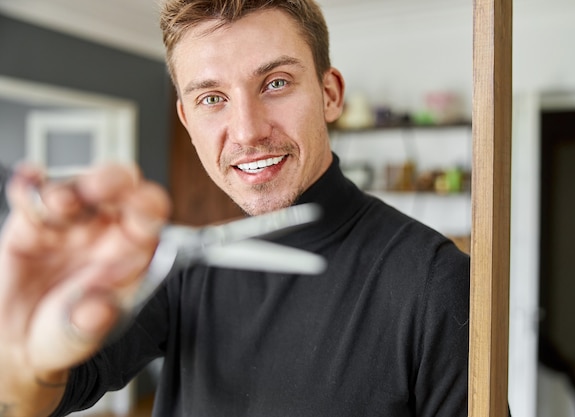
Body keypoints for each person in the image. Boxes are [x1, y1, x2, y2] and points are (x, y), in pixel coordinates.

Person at [0, 1, 470, 416]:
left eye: (276, 82)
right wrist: (20, 353)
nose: (246, 132)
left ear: (330, 94)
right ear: (187, 118)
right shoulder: (181, 266)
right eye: (211, 98)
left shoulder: (436, 283)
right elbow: (46, 397)